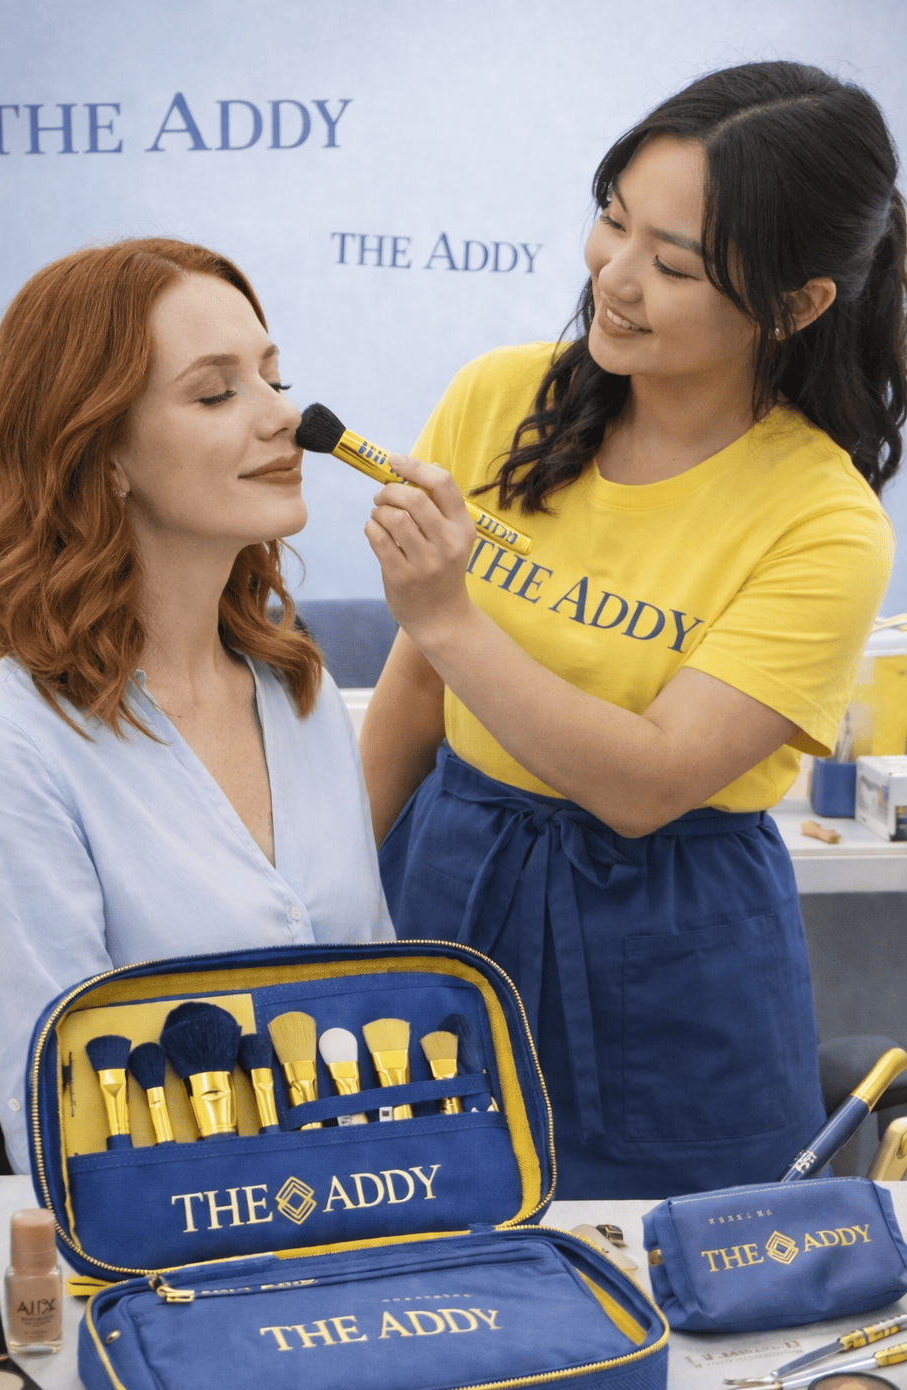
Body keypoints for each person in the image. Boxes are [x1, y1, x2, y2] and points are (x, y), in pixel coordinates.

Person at [359, 63, 905, 1198]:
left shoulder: (823, 521)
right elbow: (413, 698)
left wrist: (450, 618)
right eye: (612, 223)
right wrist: (336, 908)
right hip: (449, 873)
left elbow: (648, 783)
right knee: (406, 1220)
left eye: (673, 265)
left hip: (672, 934)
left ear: (799, 304)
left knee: (687, 1282)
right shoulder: (499, 398)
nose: (615, 278)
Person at [0, 238, 392, 1173]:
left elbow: (381, 1011)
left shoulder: (297, 690)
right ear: (100, 456)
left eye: (274, 377)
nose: (287, 418)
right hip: (176, 1261)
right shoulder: (5, 747)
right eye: (217, 393)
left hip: (371, 1223)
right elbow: (70, 1127)